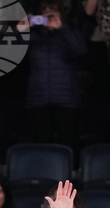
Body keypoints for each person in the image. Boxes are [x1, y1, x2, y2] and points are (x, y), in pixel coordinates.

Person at [25, 0, 89, 150]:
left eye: (53, 10)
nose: (48, 13)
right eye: (44, 10)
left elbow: (81, 51)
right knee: (41, 149)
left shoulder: (70, 32)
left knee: (68, 147)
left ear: (61, 13)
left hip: (67, 100)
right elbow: (7, 50)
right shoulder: (32, 36)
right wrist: (21, 28)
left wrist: (62, 28)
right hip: (38, 99)